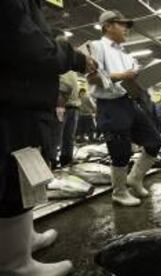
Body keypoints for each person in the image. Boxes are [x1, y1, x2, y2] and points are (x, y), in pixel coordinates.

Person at [0, 0, 96, 275]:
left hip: (21, 103)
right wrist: (76, 58)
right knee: (13, 183)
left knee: (23, 180)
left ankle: (23, 238)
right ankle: (14, 263)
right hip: (13, 105)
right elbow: (31, 48)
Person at [88, 10, 161, 206]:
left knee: (154, 142)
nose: (126, 29)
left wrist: (145, 77)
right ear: (108, 26)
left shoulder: (125, 53)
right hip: (110, 104)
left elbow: (133, 79)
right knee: (120, 151)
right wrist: (122, 76)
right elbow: (92, 77)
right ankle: (119, 192)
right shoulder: (96, 47)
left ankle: (135, 178)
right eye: (122, 25)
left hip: (129, 102)